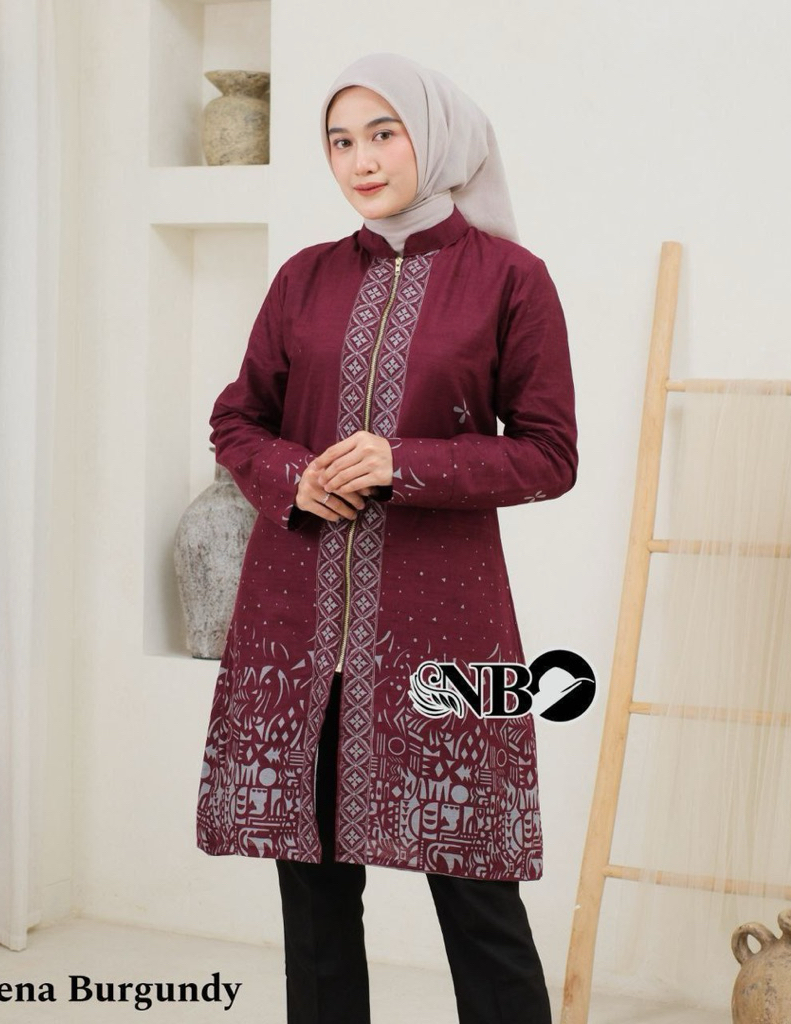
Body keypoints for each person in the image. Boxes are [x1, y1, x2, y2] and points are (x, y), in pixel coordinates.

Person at [196, 52, 578, 1024]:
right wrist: (295, 477)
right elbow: (239, 419)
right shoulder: (305, 278)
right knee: (315, 901)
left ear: (434, 139)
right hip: (299, 630)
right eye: (340, 141)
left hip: (443, 635)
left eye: (382, 134)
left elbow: (548, 454)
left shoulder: (510, 280)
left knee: (477, 887)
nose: (360, 160)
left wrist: (401, 462)